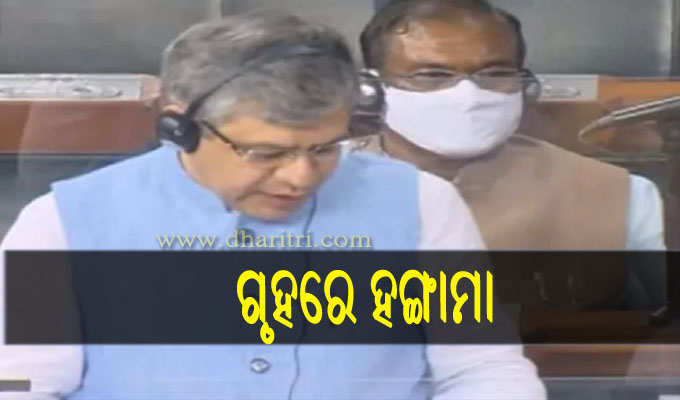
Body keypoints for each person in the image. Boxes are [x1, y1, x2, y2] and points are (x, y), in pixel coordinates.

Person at [0, 10, 545, 400]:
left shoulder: (422, 204)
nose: (300, 176)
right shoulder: (64, 224)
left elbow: (479, 368)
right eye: (265, 153)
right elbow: (22, 383)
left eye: (325, 148)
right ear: (179, 125)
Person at [359, 0, 666, 309]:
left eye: (494, 73)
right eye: (431, 75)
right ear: (371, 90)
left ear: (526, 86)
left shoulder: (616, 195)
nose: (468, 96)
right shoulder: (330, 181)